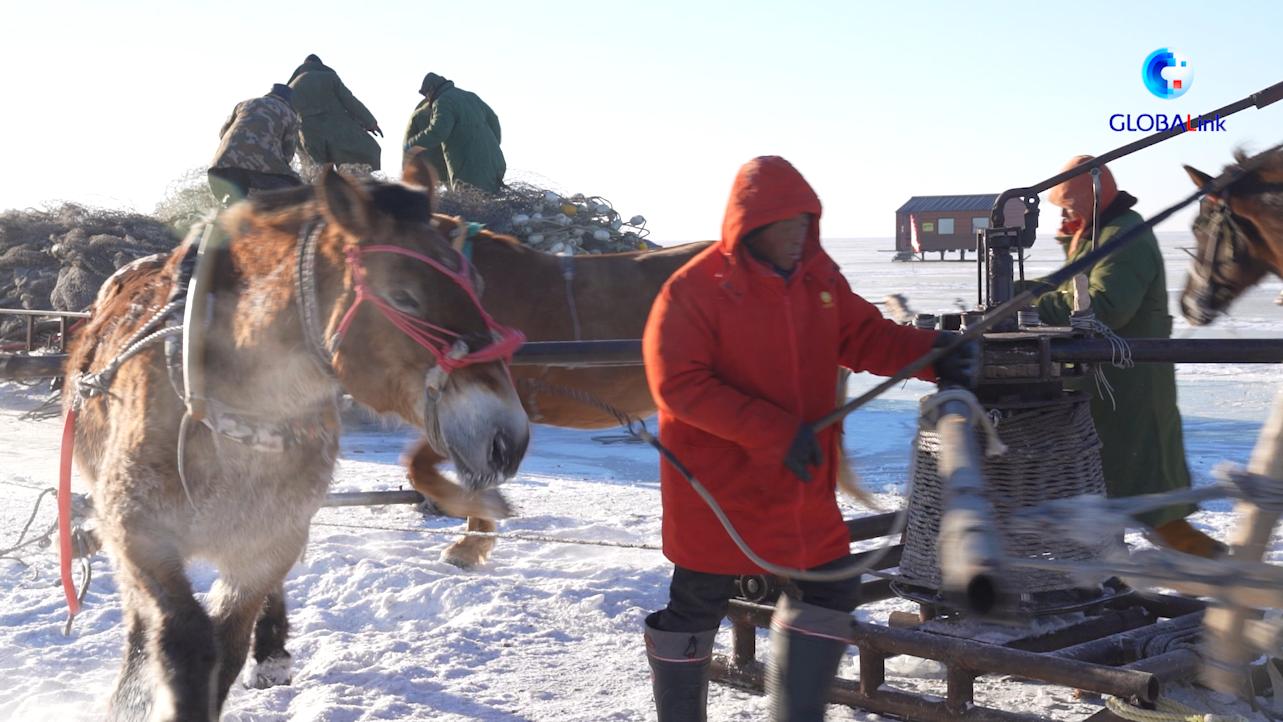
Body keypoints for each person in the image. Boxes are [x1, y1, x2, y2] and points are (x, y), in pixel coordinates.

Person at [641, 156, 979, 722]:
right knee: (696, 606)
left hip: (799, 485)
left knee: (829, 592)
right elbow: (678, 386)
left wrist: (935, 353)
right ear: (752, 227)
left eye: (807, 224)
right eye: (787, 226)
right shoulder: (693, 290)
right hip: (719, 490)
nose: (799, 237)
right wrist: (772, 430)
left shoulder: (820, 279)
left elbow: (864, 336)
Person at [1029, 155, 1222, 558]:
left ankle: (1234, 586)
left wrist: (1031, 305)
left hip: (1131, 395)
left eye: (1069, 205)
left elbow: (1105, 304)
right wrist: (1022, 291)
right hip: (1109, 393)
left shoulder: (1124, 235)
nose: (1064, 215)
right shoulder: (1100, 234)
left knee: (1158, 513)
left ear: (1092, 198)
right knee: (1104, 508)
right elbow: (1069, 286)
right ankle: (1108, 585)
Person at [403, 73, 505, 193]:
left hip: (470, 171)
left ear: (432, 89)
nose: (427, 98)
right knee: (492, 204)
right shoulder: (470, 96)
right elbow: (494, 121)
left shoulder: (442, 102)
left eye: (427, 94)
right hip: (496, 162)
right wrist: (491, 148)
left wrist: (413, 143)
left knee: (472, 206)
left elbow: (438, 132)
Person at [208, 84, 303, 206]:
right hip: (255, 170)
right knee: (297, 189)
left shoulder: (244, 104)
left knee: (235, 204)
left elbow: (223, 133)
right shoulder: (290, 115)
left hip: (219, 168)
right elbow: (288, 154)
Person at [287, 54, 383, 171]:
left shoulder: (291, 86)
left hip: (308, 137)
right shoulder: (329, 77)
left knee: (317, 176)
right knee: (364, 158)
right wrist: (370, 122)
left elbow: (288, 118)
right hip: (338, 132)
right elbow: (350, 101)